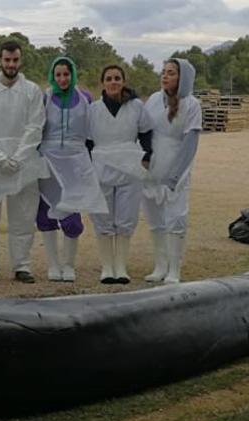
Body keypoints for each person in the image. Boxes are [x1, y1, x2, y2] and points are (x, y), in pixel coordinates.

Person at [0, 40, 47, 284]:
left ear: (20, 60)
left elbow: (35, 126)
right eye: (7, 60)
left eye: (15, 60)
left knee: (23, 216)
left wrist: (17, 157)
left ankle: (22, 265)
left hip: (23, 163)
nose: (11, 64)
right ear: (0, 60)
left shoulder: (33, 91)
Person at [36, 56, 107, 282]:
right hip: (48, 161)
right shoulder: (45, 97)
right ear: (53, 76)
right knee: (46, 212)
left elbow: (94, 131)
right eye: (58, 75)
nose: (62, 78)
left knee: (72, 214)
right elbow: (36, 128)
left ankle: (68, 264)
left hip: (75, 161)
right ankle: (54, 264)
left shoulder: (85, 98)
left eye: (66, 74)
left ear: (73, 74)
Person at [88, 65, 153, 284]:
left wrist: (147, 157)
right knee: (102, 216)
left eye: (117, 78)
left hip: (130, 166)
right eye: (109, 78)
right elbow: (87, 141)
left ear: (123, 81)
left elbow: (145, 133)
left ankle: (121, 266)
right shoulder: (93, 109)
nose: (113, 82)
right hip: (101, 165)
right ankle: (107, 267)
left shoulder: (136, 106)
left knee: (126, 216)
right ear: (102, 83)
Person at [142, 58, 201, 284]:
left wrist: (175, 176)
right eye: (163, 71)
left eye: (171, 73)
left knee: (175, 218)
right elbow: (144, 130)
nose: (165, 76)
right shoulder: (154, 100)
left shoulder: (191, 104)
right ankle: (160, 265)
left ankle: (174, 269)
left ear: (182, 78)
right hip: (152, 168)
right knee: (155, 218)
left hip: (176, 168)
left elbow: (190, 142)